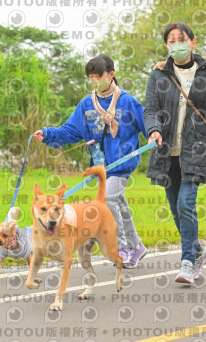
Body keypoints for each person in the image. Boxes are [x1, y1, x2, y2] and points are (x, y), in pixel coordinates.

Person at [33, 54, 149, 268]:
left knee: (110, 199)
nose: (94, 81)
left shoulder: (127, 101)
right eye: (91, 78)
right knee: (118, 203)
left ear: (111, 75)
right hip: (100, 164)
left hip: (121, 164)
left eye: (98, 76)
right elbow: (70, 131)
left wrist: (155, 134)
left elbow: (148, 124)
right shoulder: (87, 104)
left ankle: (122, 247)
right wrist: (48, 134)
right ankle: (136, 245)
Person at [144, 22, 206, 284]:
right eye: (171, 41)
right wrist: (153, 130)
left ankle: (188, 264)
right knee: (175, 207)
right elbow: (150, 109)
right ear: (166, 46)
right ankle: (196, 251)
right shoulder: (159, 75)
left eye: (181, 40)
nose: (176, 45)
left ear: (192, 43)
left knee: (185, 204)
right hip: (166, 151)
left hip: (197, 148)